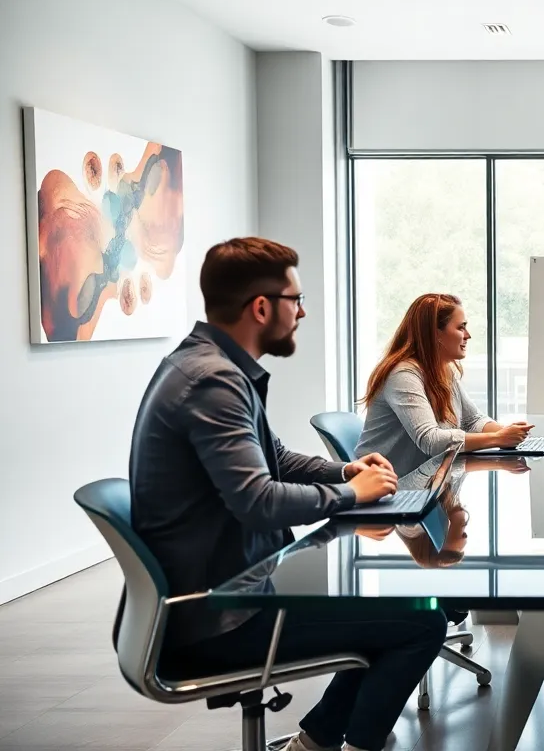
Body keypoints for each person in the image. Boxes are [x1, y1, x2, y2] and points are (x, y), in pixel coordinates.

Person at [129, 237, 450, 751]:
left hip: (226, 596)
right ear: (261, 307)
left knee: (394, 614)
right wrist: (349, 496)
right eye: (295, 300)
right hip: (219, 618)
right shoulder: (213, 382)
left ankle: (319, 739)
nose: (302, 312)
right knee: (422, 623)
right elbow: (257, 501)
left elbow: (275, 459)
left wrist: (345, 471)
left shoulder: (211, 366)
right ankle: (354, 744)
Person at [355, 293, 533, 475]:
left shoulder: (444, 369)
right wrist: (497, 439)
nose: (468, 335)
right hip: (387, 489)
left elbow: (472, 420)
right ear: (435, 333)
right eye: (461, 328)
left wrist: (510, 433)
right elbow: (430, 441)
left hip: (422, 481)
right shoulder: (403, 375)